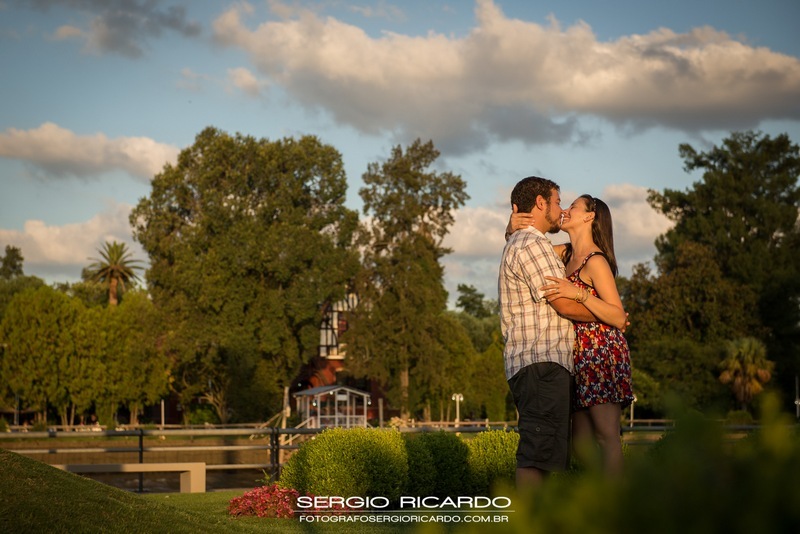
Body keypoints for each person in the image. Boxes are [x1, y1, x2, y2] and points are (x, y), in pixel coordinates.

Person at [514, 194, 634, 475]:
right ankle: (593, 497)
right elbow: (532, 246)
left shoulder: (596, 262)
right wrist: (512, 228)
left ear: (589, 217)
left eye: (573, 207)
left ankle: (617, 505)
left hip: (601, 352)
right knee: (579, 444)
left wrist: (577, 293)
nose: (565, 211)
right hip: (578, 355)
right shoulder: (567, 253)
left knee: (606, 436)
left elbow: (618, 316)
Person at [498, 177, 596, 488]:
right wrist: (608, 315)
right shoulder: (532, 243)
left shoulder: (528, 243)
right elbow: (564, 304)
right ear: (540, 203)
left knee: (544, 453)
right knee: (536, 456)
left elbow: (576, 251)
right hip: (541, 362)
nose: (560, 208)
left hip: (540, 364)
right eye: (556, 201)